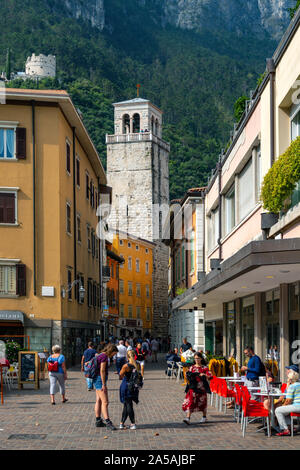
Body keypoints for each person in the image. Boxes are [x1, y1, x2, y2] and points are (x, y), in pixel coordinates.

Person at [93, 343, 118, 430]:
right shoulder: (104, 357)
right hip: (100, 380)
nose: (114, 355)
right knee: (105, 402)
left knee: (98, 400)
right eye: (114, 353)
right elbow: (102, 370)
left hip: (96, 379)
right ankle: (108, 421)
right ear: (111, 351)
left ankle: (98, 420)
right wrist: (104, 384)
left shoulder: (100, 355)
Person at [182, 352, 212, 424]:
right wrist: (187, 375)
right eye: (195, 358)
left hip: (202, 388)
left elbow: (210, 376)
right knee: (191, 402)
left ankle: (204, 417)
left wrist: (204, 374)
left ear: (201, 359)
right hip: (193, 387)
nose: (196, 360)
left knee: (202, 402)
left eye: (198, 358)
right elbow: (188, 376)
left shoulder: (204, 368)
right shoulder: (192, 367)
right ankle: (188, 418)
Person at [119, 350, 143, 430]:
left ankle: (133, 423)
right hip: (133, 387)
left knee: (128, 405)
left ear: (127, 356)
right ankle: (121, 423)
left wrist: (120, 373)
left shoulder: (126, 365)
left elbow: (120, 376)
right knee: (126, 405)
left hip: (126, 386)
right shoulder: (137, 364)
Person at [275, 365, 300, 436]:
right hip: (297, 406)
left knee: (278, 410)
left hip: (297, 406)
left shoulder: (292, 386)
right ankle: (289, 427)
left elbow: (288, 400)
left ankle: (285, 429)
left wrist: (283, 405)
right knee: (285, 411)